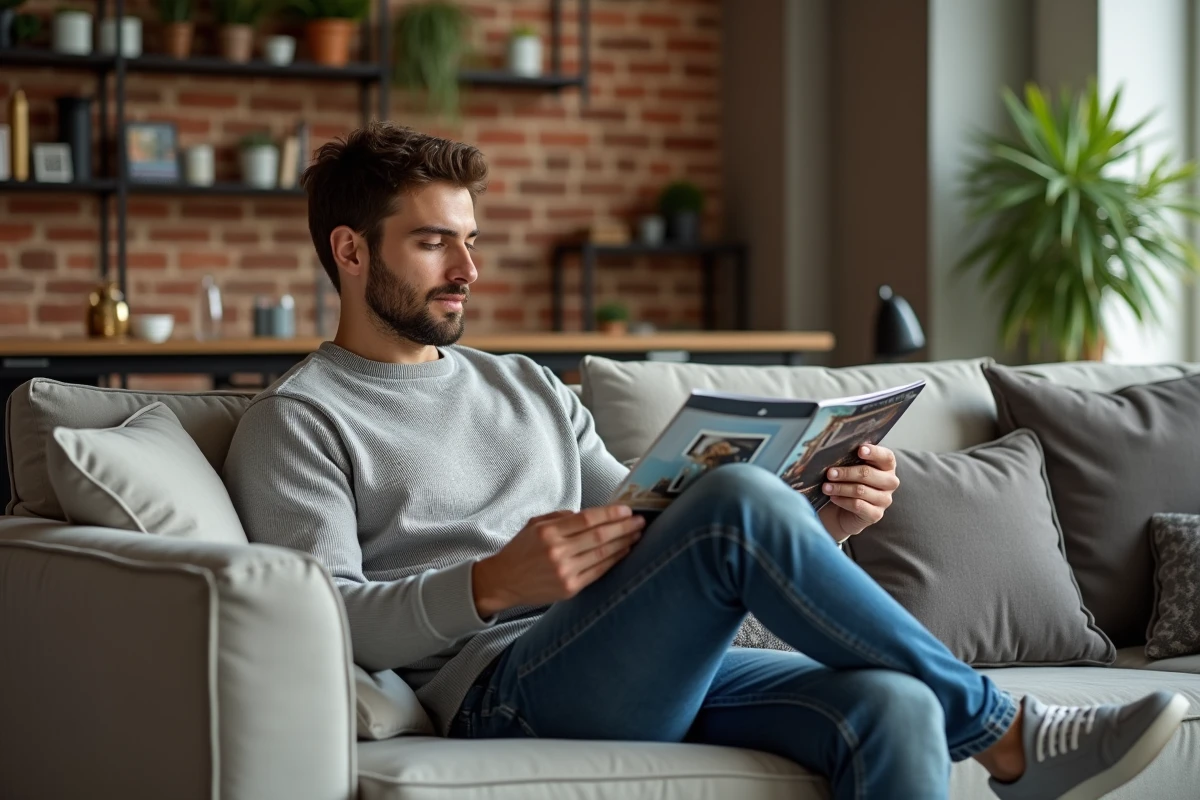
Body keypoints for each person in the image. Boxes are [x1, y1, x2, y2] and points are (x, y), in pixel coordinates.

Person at [222, 122, 1188, 800]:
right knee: (733, 501)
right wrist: (486, 584)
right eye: (435, 244)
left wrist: (823, 527)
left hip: (647, 659)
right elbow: (320, 621)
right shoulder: (300, 421)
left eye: (472, 242)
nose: (469, 271)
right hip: (499, 690)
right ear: (351, 251)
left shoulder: (524, 386)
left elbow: (654, 526)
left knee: (892, 708)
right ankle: (1011, 734)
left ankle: (975, 722)